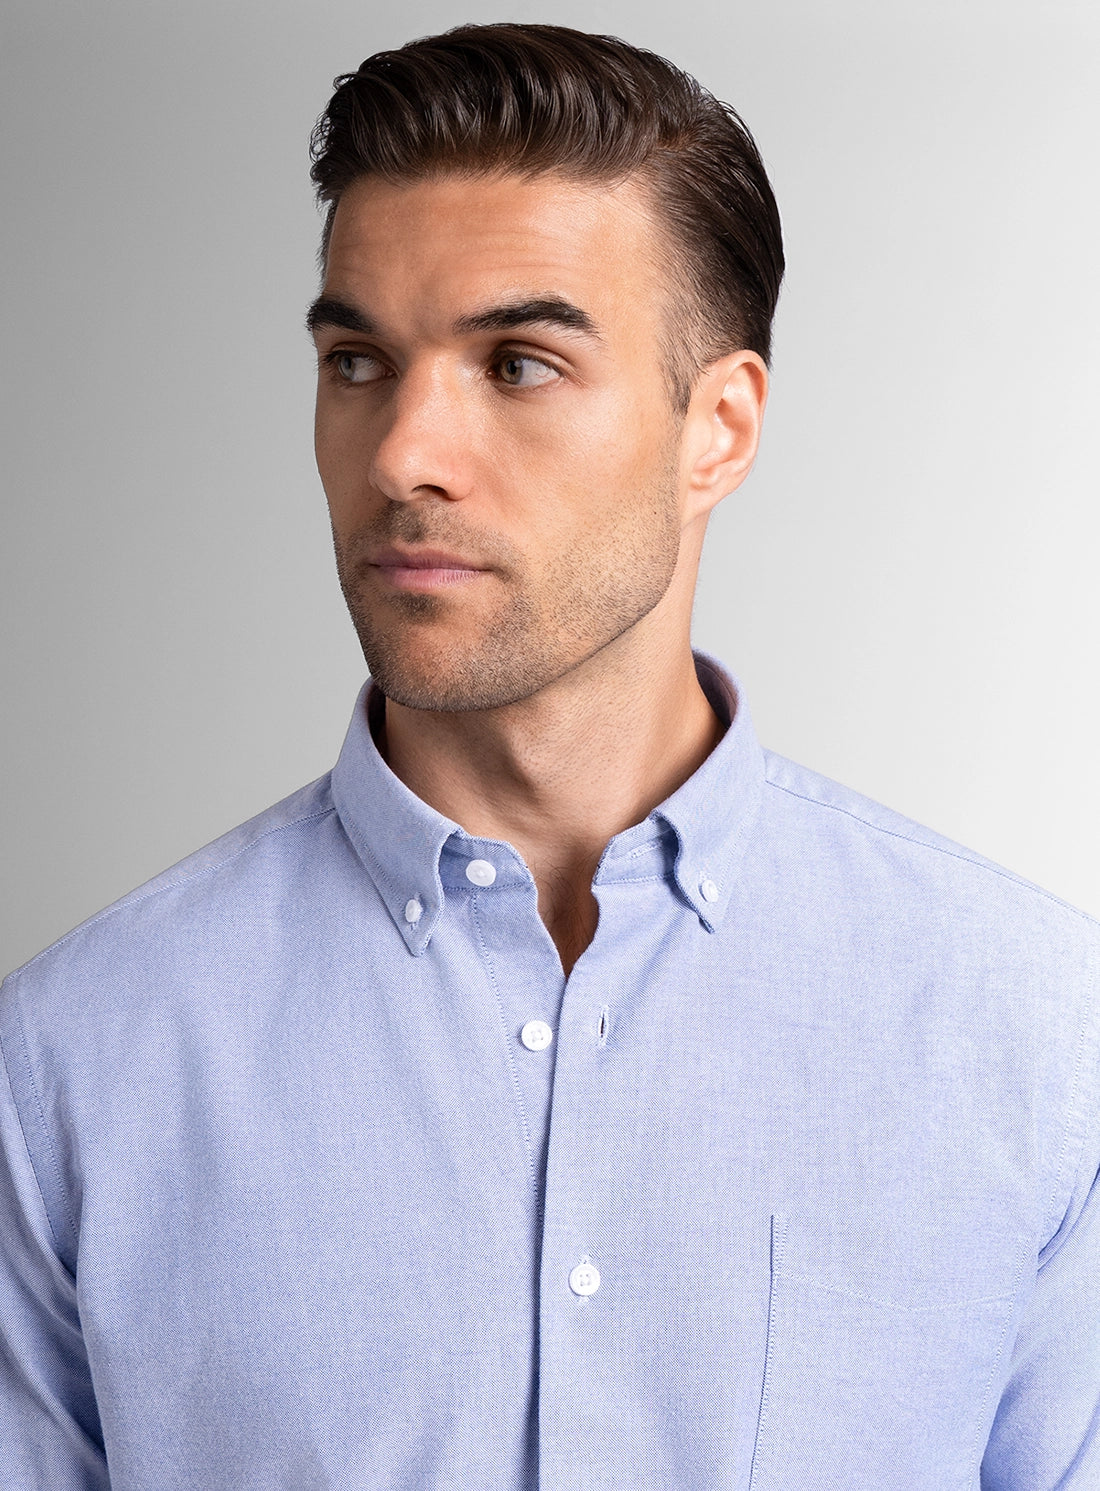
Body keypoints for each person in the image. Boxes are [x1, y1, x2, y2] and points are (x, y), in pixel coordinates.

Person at [1, 21, 1097, 1489]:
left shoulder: (1035, 1036)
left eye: (517, 363)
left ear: (719, 428)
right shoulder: (77, 1063)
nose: (401, 454)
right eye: (356, 362)